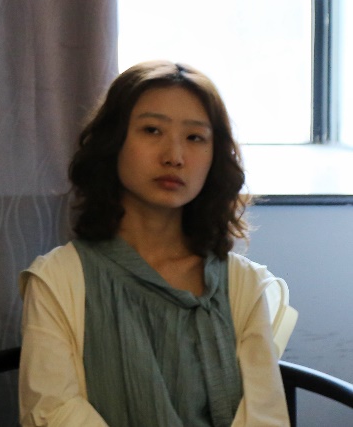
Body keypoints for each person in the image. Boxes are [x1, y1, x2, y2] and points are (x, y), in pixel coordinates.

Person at [19, 61, 295, 427]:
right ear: (113, 142)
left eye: (195, 138)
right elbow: (53, 413)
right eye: (152, 130)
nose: (174, 157)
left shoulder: (244, 284)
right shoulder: (58, 279)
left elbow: (265, 417)